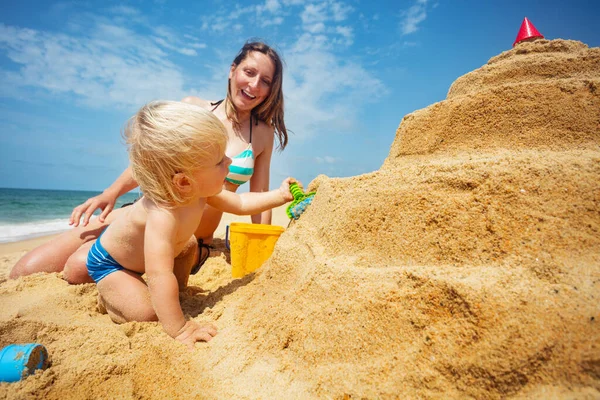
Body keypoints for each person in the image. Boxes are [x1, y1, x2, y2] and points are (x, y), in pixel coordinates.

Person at [10, 40, 288, 282]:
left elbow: (258, 194)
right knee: (26, 269)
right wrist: (111, 193)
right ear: (232, 70)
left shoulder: (262, 134)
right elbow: (155, 160)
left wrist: (261, 247)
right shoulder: (193, 108)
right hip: (146, 212)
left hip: (188, 241)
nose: (254, 85)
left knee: (80, 266)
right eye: (249, 72)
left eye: (265, 80)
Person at [87, 101, 294, 348]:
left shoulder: (201, 191)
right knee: (148, 314)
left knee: (189, 244)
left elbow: (240, 202)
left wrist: (279, 196)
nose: (229, 162)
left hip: (155, 255)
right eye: (220, 161)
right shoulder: (162, 215)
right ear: (184, 182)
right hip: (113, 264)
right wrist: (180, 328)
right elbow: (158, 275)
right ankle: (109, 296)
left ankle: (178, 291)